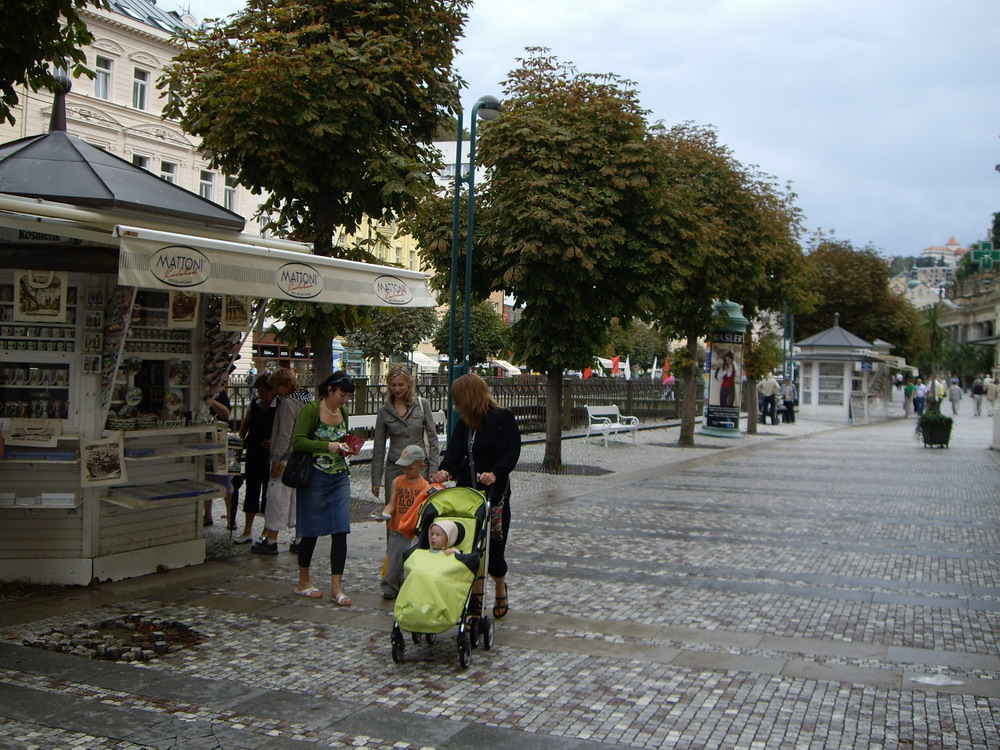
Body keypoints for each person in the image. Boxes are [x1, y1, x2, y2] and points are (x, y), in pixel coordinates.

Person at [431, 373, 520, 623]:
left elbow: (512, 450)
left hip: (495, 494)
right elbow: (454, 453)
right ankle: (477, 597)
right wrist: (445, 471)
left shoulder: (502, 418)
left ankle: (500, 588)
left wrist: (497, 472)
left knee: (495, 551)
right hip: (468, 494)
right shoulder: (465, 423)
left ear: (469, 397)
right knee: (471, 547)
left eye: (458, 399)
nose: (456, 404)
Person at [287, 371, 356, 605]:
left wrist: (345, 447)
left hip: (339, 476)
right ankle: (303, 581)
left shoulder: (344, 412)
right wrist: (328, 446)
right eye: (342, 394)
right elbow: (297, 441)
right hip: (314, 476)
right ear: (330, 390)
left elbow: (342, 439)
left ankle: (336, 587)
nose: (345, 399)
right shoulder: (311, 410)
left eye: (348, 396)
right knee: (310, 529)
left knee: (341, 529)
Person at [251, 368, 312, 555]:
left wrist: (277, 458)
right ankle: (300, 540)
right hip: (302, 457)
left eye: (276, 387)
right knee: (297, 500)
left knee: (277, 499)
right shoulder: (307, 400)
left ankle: (271, 540)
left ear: (283, 385)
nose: (275, 392)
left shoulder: (287, 403)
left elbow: (285, 434)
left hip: (286, 459)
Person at [371, 366, 440, 500]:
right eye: (393, 385)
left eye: (401, 385)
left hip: (419, 467)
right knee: (394, 507)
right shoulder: (384, 411)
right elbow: (378, 446)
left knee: (419, 507)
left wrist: (433, 469)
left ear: (409, 383)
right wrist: (376, 480)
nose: (397, 389)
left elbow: (433, 438)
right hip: (395, 467)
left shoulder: (422, 404)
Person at [380, 444, 430, 600]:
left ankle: (410, 588)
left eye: (410, 468)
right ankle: (390, 587)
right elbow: (392, 503)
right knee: (393, 561)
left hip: (412, 530)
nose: (406, 471)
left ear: (421, 466)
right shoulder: (397, 481)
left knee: (412, 562)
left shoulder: (425, 486)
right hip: (396, 528)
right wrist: (384, 514)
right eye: (404, 468)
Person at [235, 374, 276, 544]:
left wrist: (274, 442)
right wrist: (240, 442)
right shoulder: (255, 404)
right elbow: (246, 424)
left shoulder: (279, 406)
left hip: (270, 453)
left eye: (264, 391)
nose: (261, 394)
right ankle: (247, 530)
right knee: (251, 490)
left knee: (268, 493)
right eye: (259, 391)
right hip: (254, 449)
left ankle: (266, 531)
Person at [203, 383, 232, 527]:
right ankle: (207, 515)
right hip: (204, 440)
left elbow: (226, 413)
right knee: (205, 478)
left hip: (220, 439)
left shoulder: (219, 393)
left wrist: (212, 402)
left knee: (226, 479)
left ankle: (231, 517)